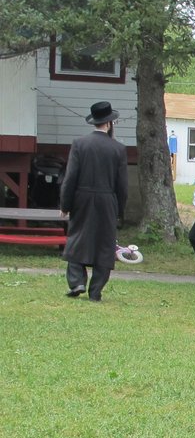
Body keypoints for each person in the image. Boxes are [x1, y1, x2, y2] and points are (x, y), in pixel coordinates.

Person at [59, 101, 128, 301]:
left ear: (94, 122)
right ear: (109, 123)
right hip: (107, 200)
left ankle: (77, 281)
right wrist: (119, 210)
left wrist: (65, 204)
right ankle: (95, 290)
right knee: (104, 244)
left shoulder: (79, 144)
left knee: (77, 239)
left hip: (82, 198)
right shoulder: (118, 149)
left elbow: (70, 178)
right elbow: (122, 185)